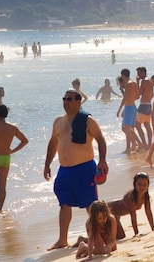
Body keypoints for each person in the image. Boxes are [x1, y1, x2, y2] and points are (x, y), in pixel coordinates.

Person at [45, 90, 109, 250]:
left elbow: (101, 139)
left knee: (91, 206)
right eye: (64, 99)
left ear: (79, 102)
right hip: (64, 170)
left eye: (70, 99)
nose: (66, 102)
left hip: (84, 168)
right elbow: (53, 143)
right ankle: (62, 240)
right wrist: (47, 164)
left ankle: (103, 235)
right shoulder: (58, 121)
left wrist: (102, 160)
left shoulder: (87, 120)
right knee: (64, 203)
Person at [108, 172, 154, 239]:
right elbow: (133, 216)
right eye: (139, 184)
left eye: (145, 184)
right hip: (109, 211)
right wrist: (136, 233)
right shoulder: (131, 197)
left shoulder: (145, 196)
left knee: (119, 236)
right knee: (120, 236)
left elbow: (148, 212)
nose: (142, 187)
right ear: (134, 184)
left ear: (148, 185)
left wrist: (153, 228)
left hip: (117, 215)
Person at [116, 68, 141, 153]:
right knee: (130, 129)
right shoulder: (134, 83)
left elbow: (125, 98)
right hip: (133, 106)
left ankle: (129, 148)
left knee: (127, 129)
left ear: (123, 75)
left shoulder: (127, 84)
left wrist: (119, 110)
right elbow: (137, 96)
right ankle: (135, 144)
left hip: (129, 107)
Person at [135, 66, 154, 149]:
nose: (138, 75)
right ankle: (149, 144)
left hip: (143, 104)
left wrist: (137, 82)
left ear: (143, 72)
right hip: (149, 104)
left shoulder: (144, 81)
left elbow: (138, 93)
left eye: (139, 73)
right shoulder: (150, 80)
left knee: (137, 124)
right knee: (147, 125)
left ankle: (144, 143)